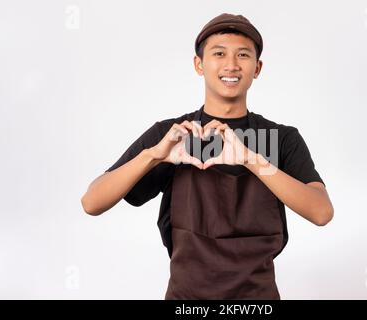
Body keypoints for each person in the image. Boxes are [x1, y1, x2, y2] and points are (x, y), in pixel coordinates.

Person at [81, 13, 334, 300]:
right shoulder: (172, 136)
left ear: (257, 68)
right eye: (219, 53)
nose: (231, 65)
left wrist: (252, 160)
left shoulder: (280, 138)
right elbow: (92, 202)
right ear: (198, 64)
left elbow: (321, 212)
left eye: (242, 55)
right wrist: (153, 156)